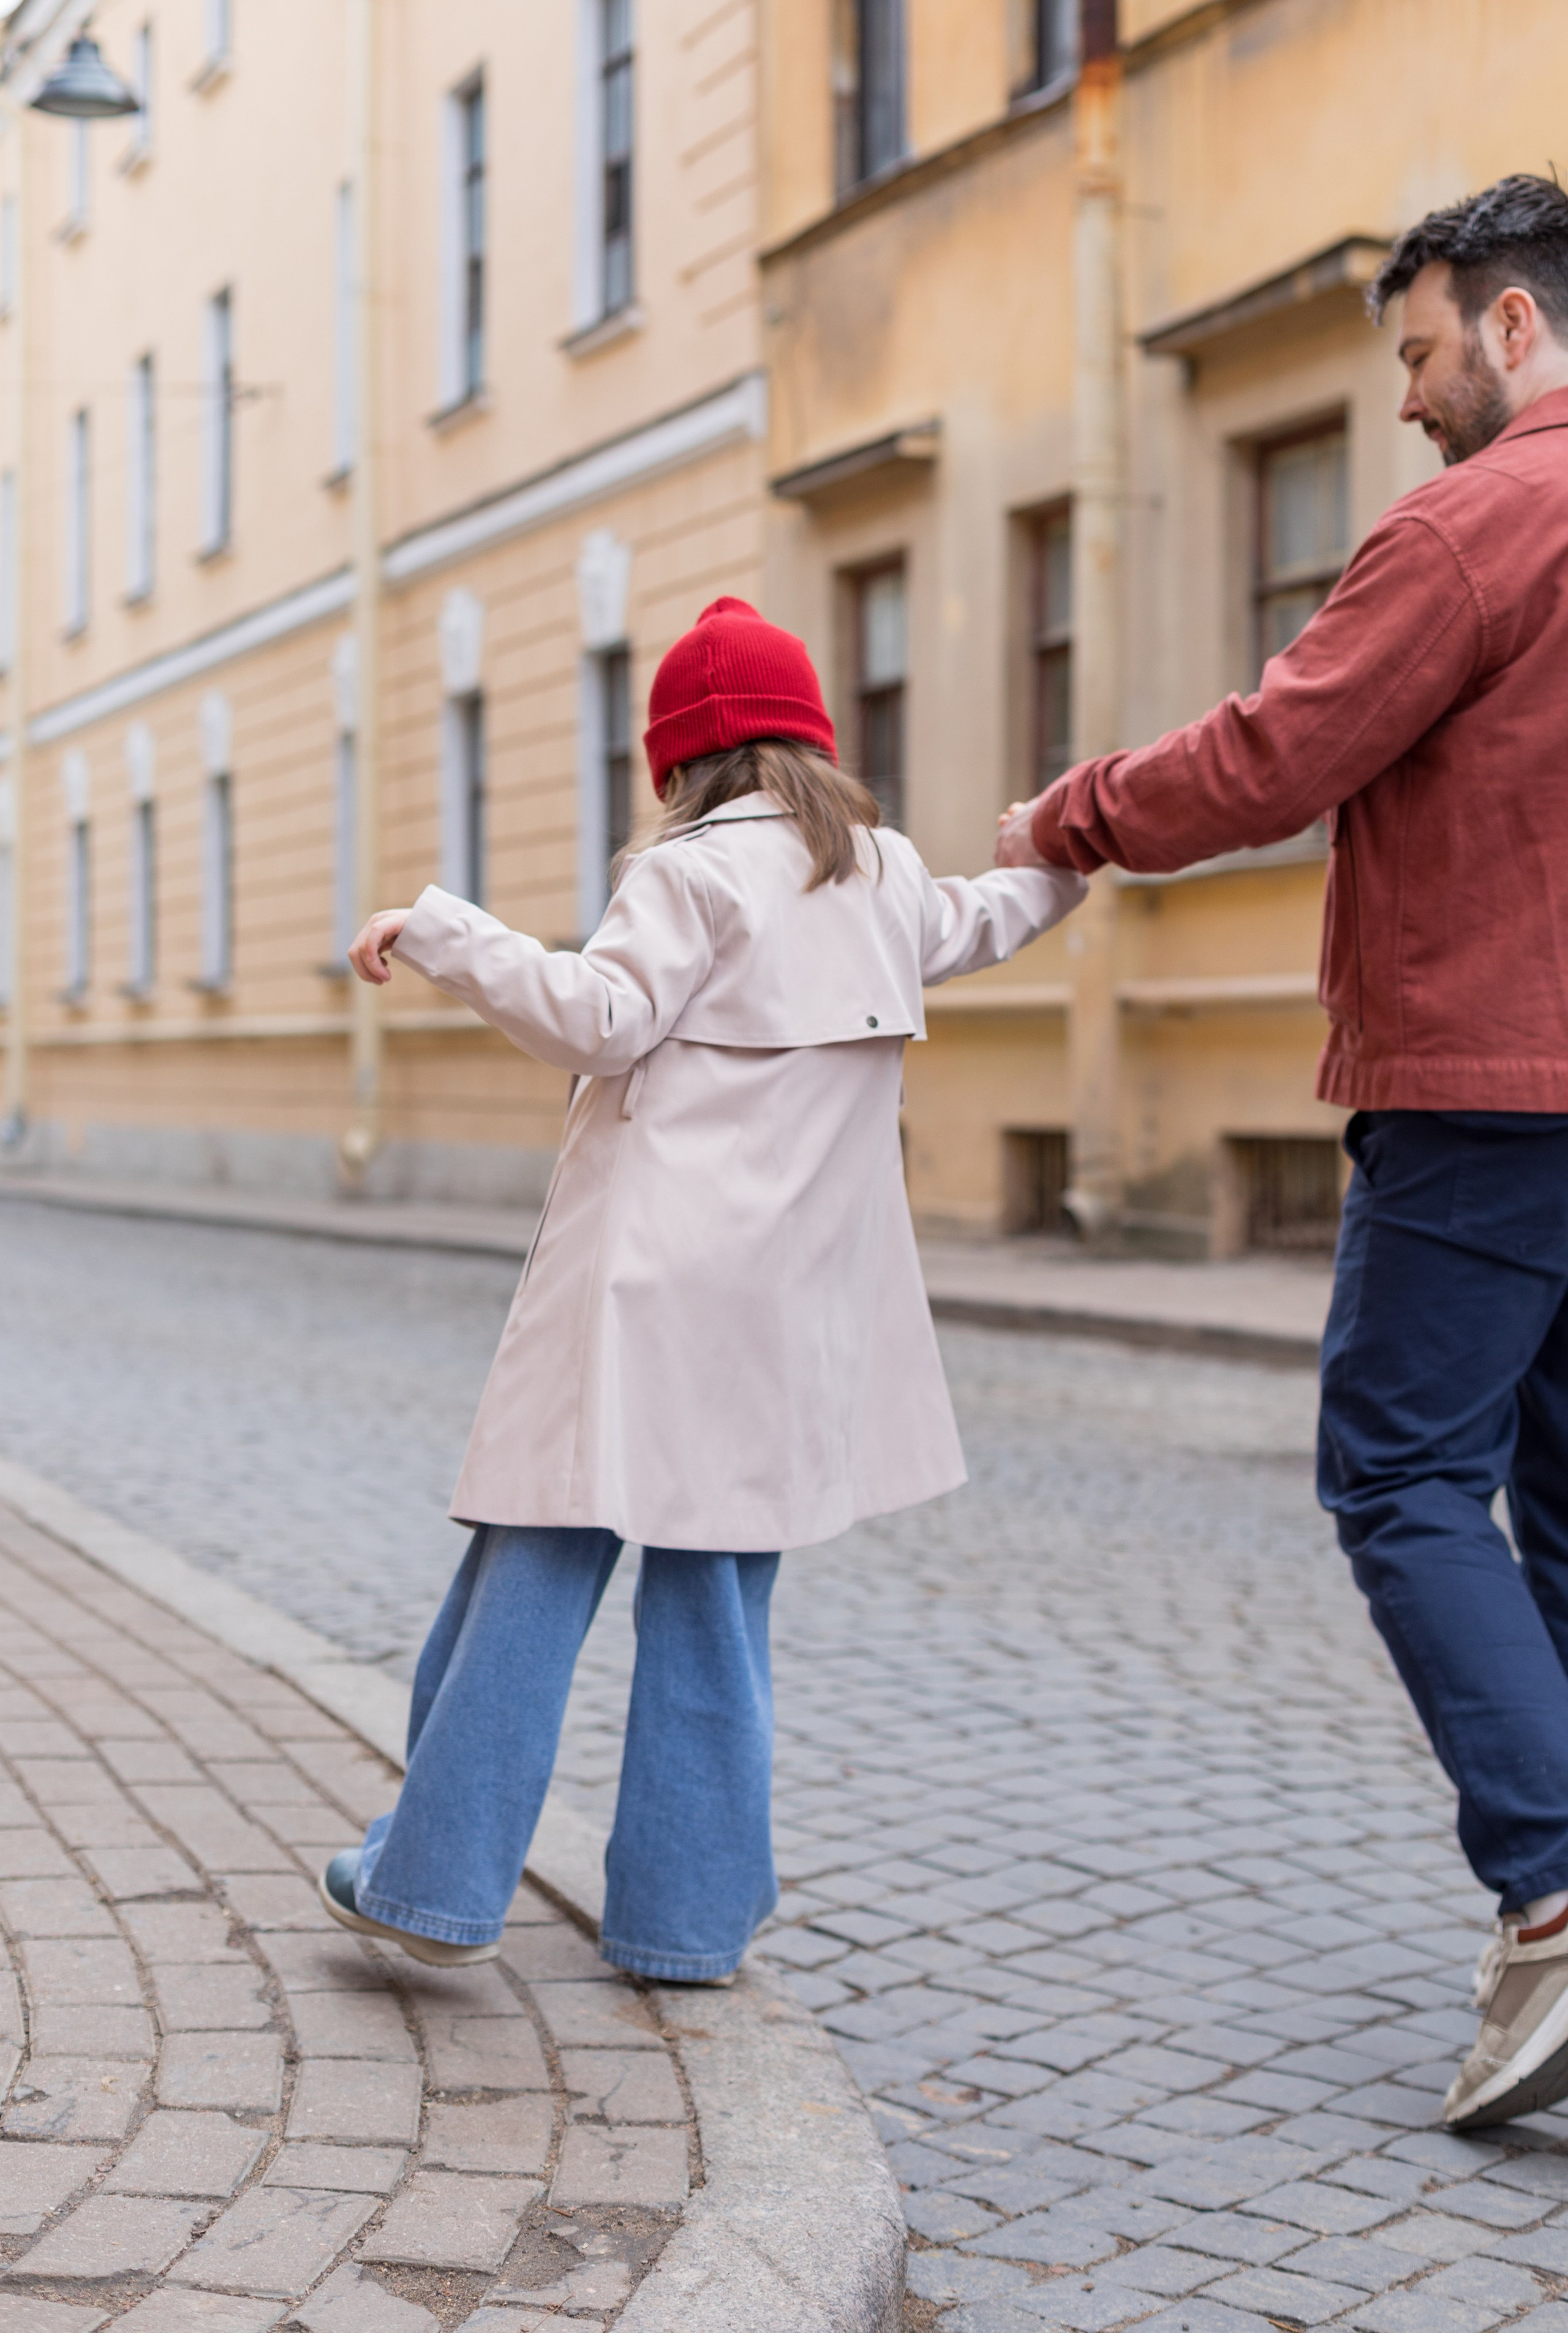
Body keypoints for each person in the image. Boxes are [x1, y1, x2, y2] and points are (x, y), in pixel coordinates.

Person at [993, 172, 1568, 2128]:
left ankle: (1559, 1901)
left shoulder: (1480, 523)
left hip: (1492, 1088)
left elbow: (1277, 750)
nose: (1406, 401)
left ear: (1509, 327)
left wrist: (1066, 815)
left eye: (1419, 353)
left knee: (1401, 1468)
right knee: (1562, 1515)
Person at [328, 596, 1086, 1986]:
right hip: (782, 1321)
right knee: (718, 1606)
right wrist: (1068, 845)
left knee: (529, 1578)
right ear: (809, 741)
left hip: (641, 1311)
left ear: (679, 759)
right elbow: (990, 918)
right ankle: (682, 1927)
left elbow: (595, 1017)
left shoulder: (686, 876)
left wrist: (439, 929)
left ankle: (427, 1882)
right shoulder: (880, 876)